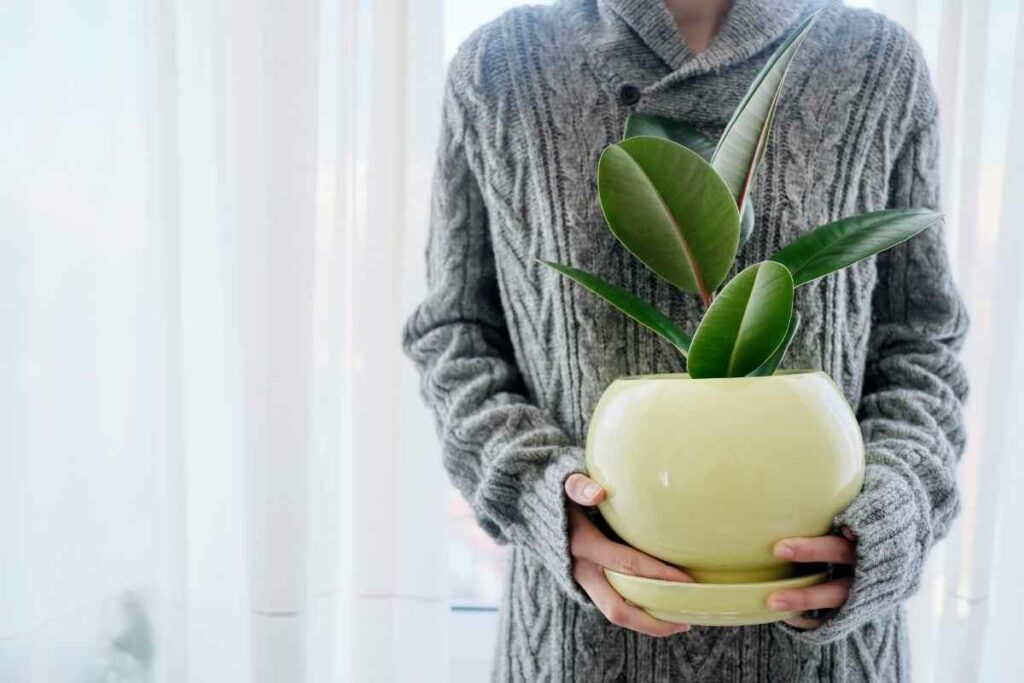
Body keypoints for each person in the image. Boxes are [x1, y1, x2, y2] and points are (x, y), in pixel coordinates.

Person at [403, 0, 968, 680]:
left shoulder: (875, 63)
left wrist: (892, 513)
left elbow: (922, 337)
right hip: (583, 644)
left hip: (824, 654)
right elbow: (454, 331)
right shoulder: (502, 66)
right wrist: (543, 498)